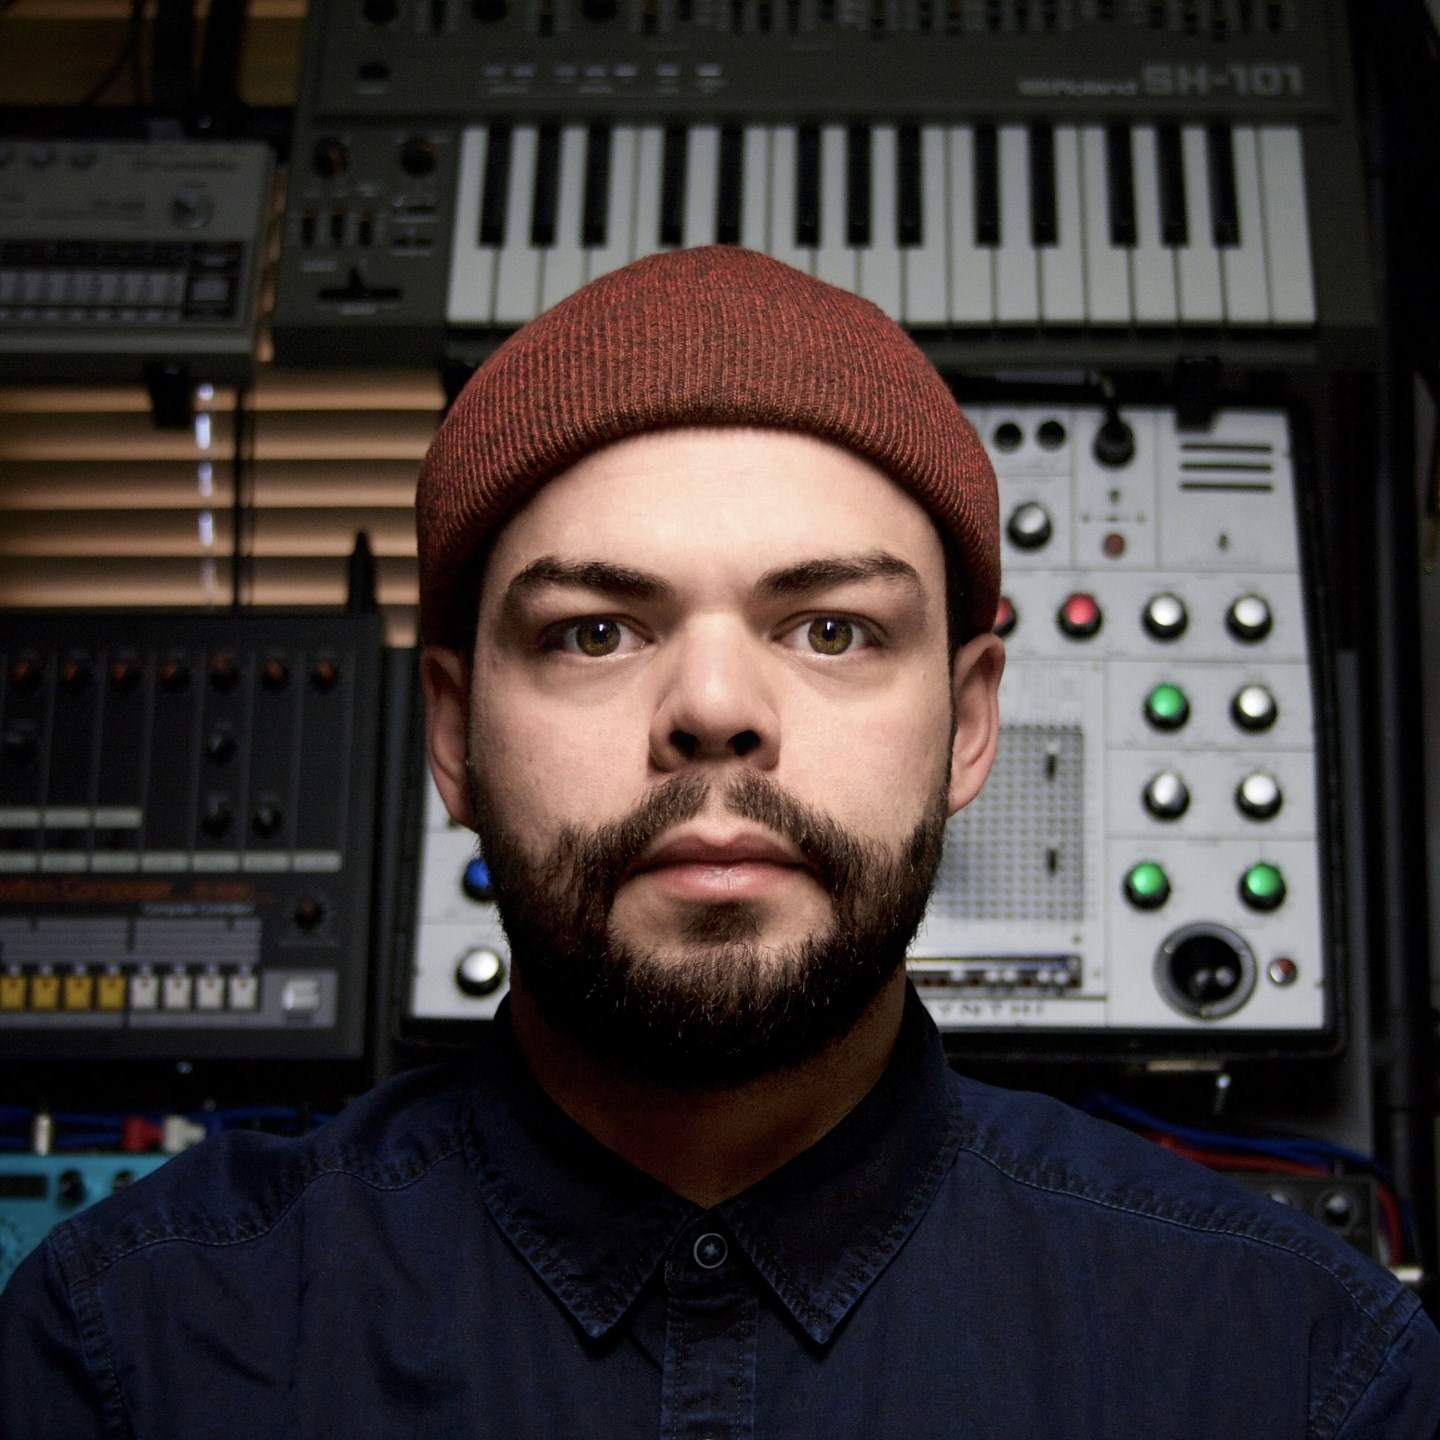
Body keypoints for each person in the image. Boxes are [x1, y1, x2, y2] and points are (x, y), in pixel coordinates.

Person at [2, 246, 1437, 1439]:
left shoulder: (1302, 1371)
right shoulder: (131, 1348)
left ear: (968, 724)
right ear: (451, 734)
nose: (711, 709)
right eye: (594, 632)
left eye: (832, 630)